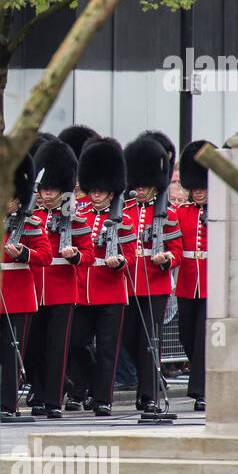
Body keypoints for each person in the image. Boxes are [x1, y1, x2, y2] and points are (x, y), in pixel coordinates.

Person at [26, 138, 93, 418]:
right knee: (31, 346)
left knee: (57, 348)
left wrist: (76, 256)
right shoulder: (30, 216)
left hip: (63, 289)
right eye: (44, 188)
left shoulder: (74, 218)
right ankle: (38, 393)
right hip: (34, 287)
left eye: (52, 188)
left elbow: (88, 254)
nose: (47, 193)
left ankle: (53, 400)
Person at [69, 137, 134, 417]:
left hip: (111, 290)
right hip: (84, 289)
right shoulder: (80, 215)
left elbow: (130, 255)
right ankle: (92, 385)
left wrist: (119, 261)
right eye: (92, 190)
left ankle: (103, 398)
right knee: (75, 342)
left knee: (108, 348)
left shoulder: (125, 219)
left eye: (101, 191)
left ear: (111, 191)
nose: (95, 195)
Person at [121, 133, 184, 419]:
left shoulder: (168, 214)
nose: (141, 190)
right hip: (128, 283)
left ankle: (148, 395)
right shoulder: (124, 212)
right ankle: (148, 384)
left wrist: (166, 259)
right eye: (139, 184)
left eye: (146, 185)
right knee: (130, 338)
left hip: (155, 284)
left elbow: (177, 251)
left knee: (151, 340)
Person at [0, 154, 51, 421]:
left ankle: (8, 404)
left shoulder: (30, 224)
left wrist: (23, 254)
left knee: (10, 352)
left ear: (18, 201)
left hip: (18, 297)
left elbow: (45, 256)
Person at [176, 140, 211, 412]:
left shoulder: (219, 213)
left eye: (202, 187)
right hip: (188, 282)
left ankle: (201, 391)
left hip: (211, 284)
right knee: (186, 334)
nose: (197, 192)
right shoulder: (181, 213)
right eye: (194, 188)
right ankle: (205, 374)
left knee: (201, 336)